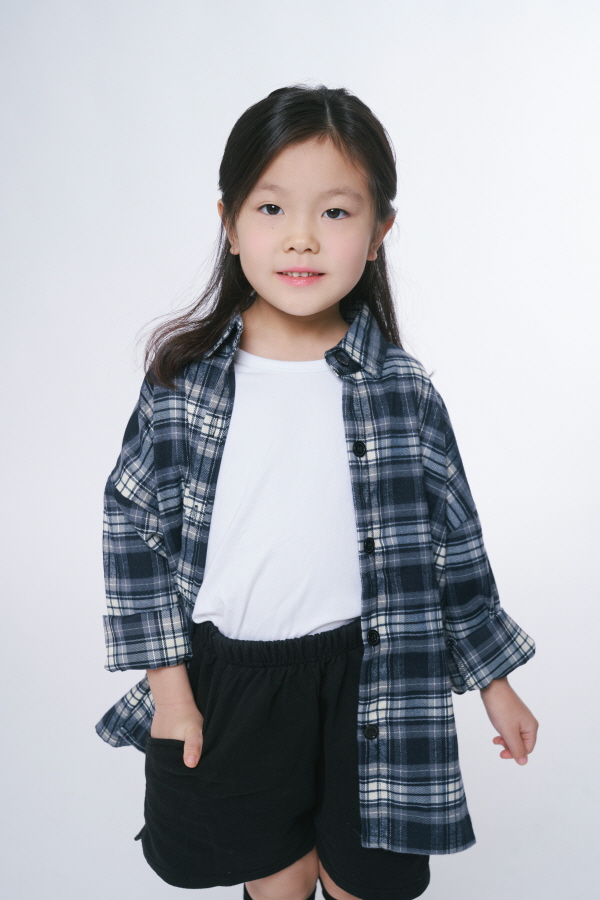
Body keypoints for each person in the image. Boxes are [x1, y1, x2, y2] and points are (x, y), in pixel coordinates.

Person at [96, 85, 538, 900]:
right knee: (276, 875)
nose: (301, 236)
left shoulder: (403, 390)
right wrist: (171, 694)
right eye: (271, 209)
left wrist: (495, 682)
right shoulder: (184, 386)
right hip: (233, 680)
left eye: (335, 212)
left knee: (365, 878)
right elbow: (132, 534)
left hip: (373, 675)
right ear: (230, 225)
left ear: (378, 234)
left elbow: (456, 545)